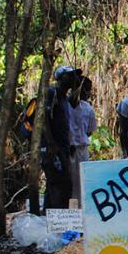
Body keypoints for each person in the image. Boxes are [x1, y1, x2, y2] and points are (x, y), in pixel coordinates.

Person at [41, 66, 78, 209]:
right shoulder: (52, 93)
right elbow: (44, 119)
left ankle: (51, 218)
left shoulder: (64, 98)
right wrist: (51, 144)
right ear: (61, 78)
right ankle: (56, 219)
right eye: (70, 75)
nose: (73, 78)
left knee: (59, 184)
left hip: (63, 147)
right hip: (53, 148)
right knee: (59, 184)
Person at [68, 76, 97, 199]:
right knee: (69, 181)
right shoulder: (64, 106)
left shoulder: (87, 108)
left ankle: (80, 208)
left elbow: (89, 130)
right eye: (86, 90)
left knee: (82, 181)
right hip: (68, 149)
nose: (89, 94)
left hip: (81, 149)